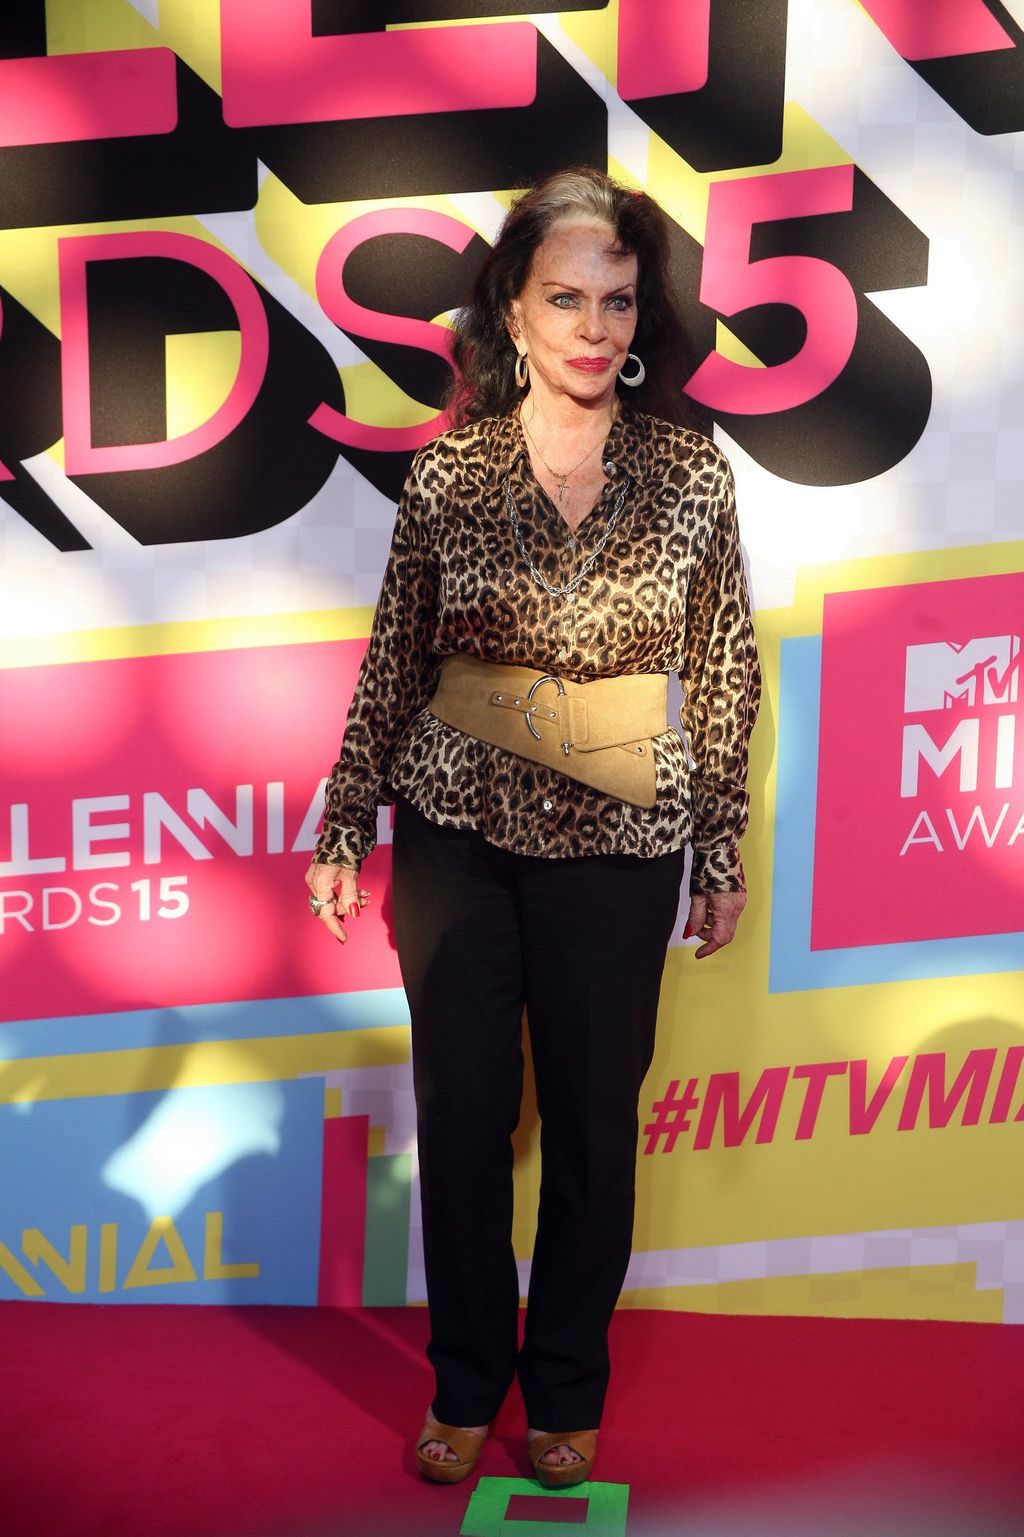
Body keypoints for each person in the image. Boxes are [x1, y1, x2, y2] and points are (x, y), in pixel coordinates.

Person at [305, 167, 760, 1488]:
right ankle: (463, 1382)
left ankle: (564, 1391)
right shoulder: (450, 472)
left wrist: (721, 847)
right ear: (511, 308)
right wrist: (345, 825)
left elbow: (723, 667)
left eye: (617, 301)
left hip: (620, 847)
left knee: (594, 1133)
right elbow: (395, 658)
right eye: (566, 298)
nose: (594, 326)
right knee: (461, 1121)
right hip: (456, 832)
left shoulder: (689, 470)